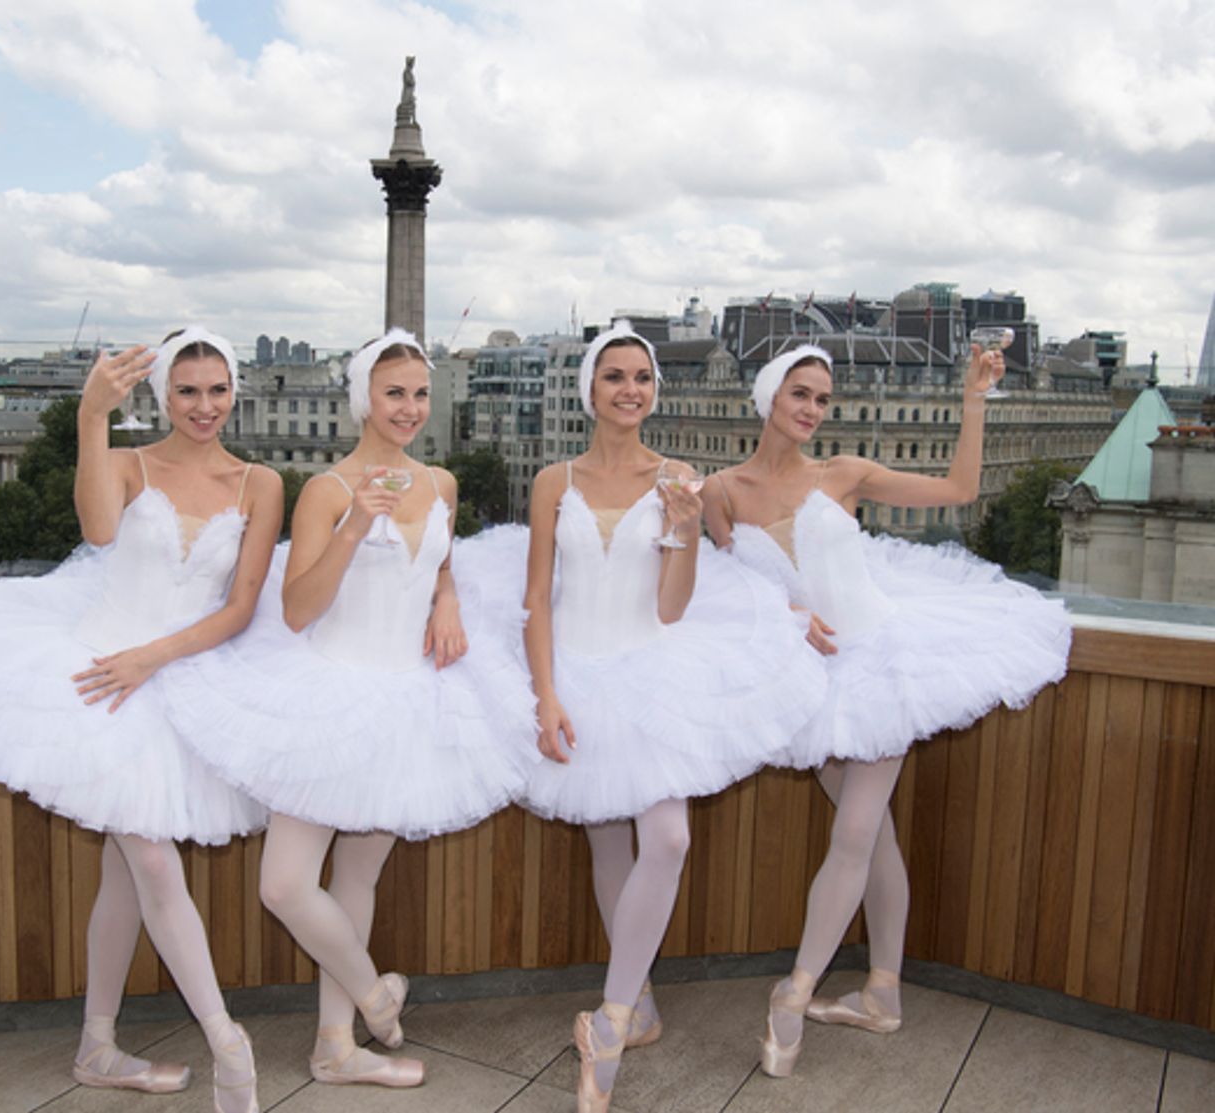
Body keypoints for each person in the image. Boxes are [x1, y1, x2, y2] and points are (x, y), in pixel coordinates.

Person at [0, 327, 283, 1113]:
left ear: (233, 391)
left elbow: (242, 607)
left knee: (125, 869)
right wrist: (89, 416)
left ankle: (96, 1043)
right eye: (186, 390)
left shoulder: (260, 482)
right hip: (97, 672)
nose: (203, 406)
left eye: (216, 389)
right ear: (161, 395)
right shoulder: (129, 463)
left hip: (177, 676)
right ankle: (226, 1043)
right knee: (149, 863)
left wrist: (155, 657)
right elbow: (99, 531)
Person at [165, 328, 535, 1090]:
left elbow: (440, 562)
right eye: (394, 393)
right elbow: (296, 608)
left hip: (408, 696)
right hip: (329, 694)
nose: (409, 408)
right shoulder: (328, 491)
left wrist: (449, 599)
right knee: (286, 883)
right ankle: (373, 997)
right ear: (364, 396)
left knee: (358, 873)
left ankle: (336, 1047)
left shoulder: (441, 484)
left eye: (420, 394)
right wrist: (357, 522)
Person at [704, 343, 1071, 1078]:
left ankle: (796, 988)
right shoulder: (721, 491)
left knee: (860, 828)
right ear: (769, 396)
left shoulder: (844, 474)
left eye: (822, 399)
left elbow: (962, 489)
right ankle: (883, 992)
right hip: (806, 680)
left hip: (878, 659)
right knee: (876, 840)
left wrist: (973, 397)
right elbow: (726, 591)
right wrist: (782, 614)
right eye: (800, 394)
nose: (812, 409)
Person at [519, 322, 826, 1112]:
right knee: (606, 841)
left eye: (642, 378)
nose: (629, 389)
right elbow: (537, 601)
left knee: (668, 837)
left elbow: (671, 604)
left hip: (651, 670)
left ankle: (611, 1021)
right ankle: (643, 999)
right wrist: (546, 695)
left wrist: (686, 527)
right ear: (590, 388)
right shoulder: (554, 481)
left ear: (654, 391)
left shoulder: (678, 478)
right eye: (615, 375)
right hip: (575, 677)